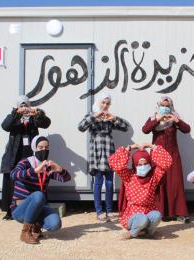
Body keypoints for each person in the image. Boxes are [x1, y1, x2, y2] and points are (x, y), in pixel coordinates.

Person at [11, 135, 71, 244]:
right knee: (38, 195)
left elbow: (66, 179)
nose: (44, 150)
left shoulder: (47, 166)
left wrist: (60, 169)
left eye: (47, 148)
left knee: (55, 224)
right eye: (41, 147)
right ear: (34, 148)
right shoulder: (25, 162)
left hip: (39, 207)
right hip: (20, 208)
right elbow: (13, 175)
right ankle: (25, 232)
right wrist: (34, 171)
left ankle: (35, 226)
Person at [78, 92, 128, 222]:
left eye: (107, 103)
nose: (105, 105)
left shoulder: (109, 117)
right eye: (103, 103)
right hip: (96, 150)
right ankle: (99, 211)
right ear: (98, 102)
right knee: (98, 182)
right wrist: (95, 116)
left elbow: (125, 127)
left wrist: (114, 117)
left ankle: (110, 210)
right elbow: (81, 127)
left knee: (110, 182)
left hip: (109, 149)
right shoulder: (92, 115)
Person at [0, 96, 51, 220]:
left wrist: (38, 113)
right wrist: (15, 114)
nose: (24, 108)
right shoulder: (13, 117)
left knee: (31, 180)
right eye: (21, 106)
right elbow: (5, 126)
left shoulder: (34, 118)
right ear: (17, 107)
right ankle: (10, 210)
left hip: (29, 154)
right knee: (12, 180)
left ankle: (33, 207)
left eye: (26, 105)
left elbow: (46, 123)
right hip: (14, 153)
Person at [108, 143, 172, 240]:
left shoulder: (154, 176)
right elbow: (115, 164)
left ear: (150, 163)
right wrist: (130, 147)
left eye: (145, 163)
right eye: (139, 164)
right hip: (133, 215)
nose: (143, 166)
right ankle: (133, 232)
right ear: (135, 165)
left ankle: (149, 233)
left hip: (148, 210)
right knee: (142, 219)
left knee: (157, 215)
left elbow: (167, 162)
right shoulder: (128, 176)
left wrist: (151, 146)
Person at [142, 96, 190, 223]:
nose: (165, 108)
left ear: (171, 107)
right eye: (162, 105)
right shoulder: (153, 118)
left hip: (173, 155)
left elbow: (187, 129)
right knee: (159, 182)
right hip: (157, 155)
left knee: (175, 182)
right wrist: (157, 119)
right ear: (158, 106)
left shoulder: (174, 117)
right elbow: (145, 130)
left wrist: (177, 121)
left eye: (167, 106)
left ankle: (179, 213)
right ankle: (160, 212)